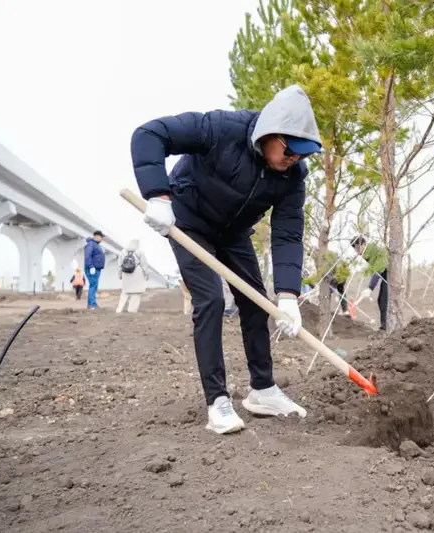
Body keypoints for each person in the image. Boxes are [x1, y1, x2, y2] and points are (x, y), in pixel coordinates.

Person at [130, 84, 321, 434]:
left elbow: (288, 234)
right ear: (270, 133)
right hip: (188, 222)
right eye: (290, 149)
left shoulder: (294, 177)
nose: (295, 158)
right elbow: (149, 134)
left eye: (303, 153)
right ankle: (217, 401)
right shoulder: (221, 129)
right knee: (212, 301)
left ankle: (262, 390)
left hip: (233, 232)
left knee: (258, 303)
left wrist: (289, 296)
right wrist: (157, 194)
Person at [351, 236, 389, 331]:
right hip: (384, 273)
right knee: (381, 300)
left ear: (364, 244)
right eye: (355, 249)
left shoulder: (373, 250)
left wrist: (370, 287)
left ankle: (386, 328)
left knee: (384, 300)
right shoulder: (367, 254)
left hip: (390, 274)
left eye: (358, 248)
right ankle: (385, 326)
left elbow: (379, 267)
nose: (357, 251)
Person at [116, 239, 149, 313]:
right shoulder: (140, 252)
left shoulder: (122, 252)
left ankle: (119, 309)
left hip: (126, 273)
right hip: (137, 273)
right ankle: (131, 310)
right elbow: (144, 265)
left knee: (125, 291)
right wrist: (146, 274)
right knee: (136, 293)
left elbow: (119, 265)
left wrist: (120, 274)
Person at [84, 231, 105, 309]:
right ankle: (92, 305)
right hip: (92, 268)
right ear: (96, 236)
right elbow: (87, 256)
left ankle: (93, 304)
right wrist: (91, 266)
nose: (102, 238)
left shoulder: (95, 245)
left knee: (94, 286)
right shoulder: (91, 244)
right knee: (93, 286)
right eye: (101, 237)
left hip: (96, 268)